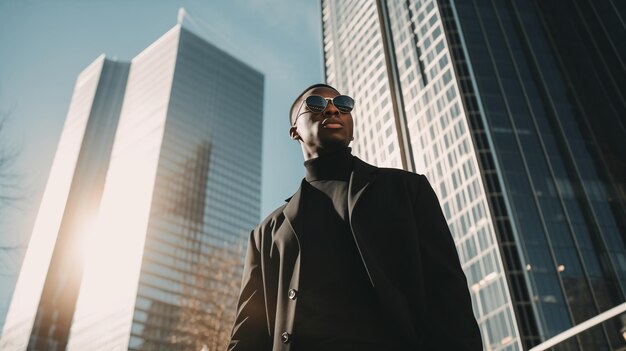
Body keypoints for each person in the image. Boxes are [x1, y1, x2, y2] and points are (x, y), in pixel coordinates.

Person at [228, 84, 483, 350]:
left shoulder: (407, 189)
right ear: (295, 132)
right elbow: (248, 333)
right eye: (315, 103)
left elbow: (447, 291)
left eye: (343, 103)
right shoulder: (265, 233)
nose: (332, 108)